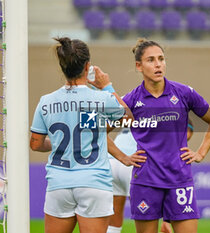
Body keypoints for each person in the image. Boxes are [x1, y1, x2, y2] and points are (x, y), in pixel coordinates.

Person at [29, 37, 146, 233]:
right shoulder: (99, 99)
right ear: (87, 66)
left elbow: (35, 144)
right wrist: (107, 86)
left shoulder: (46, 101)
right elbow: (128, 118)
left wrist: (58, 143)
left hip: (59, 184)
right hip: (93, 183)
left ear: (62, 66)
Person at [108, 38, 210, 233]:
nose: (158, 64)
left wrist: (200, 153)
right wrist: (123, 157)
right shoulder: (131, 100)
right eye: (151, 60)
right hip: (145, 181)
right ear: (139, 66)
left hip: (179, 180)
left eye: (161, 58)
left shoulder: (184, 93)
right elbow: (101, 131)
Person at [106, 119, 195, 233]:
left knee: (114, 221)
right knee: (145, 214)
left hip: (112, 160)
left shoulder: (136, 109)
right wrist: (166, 221)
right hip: (134, 161)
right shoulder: (166, 123)